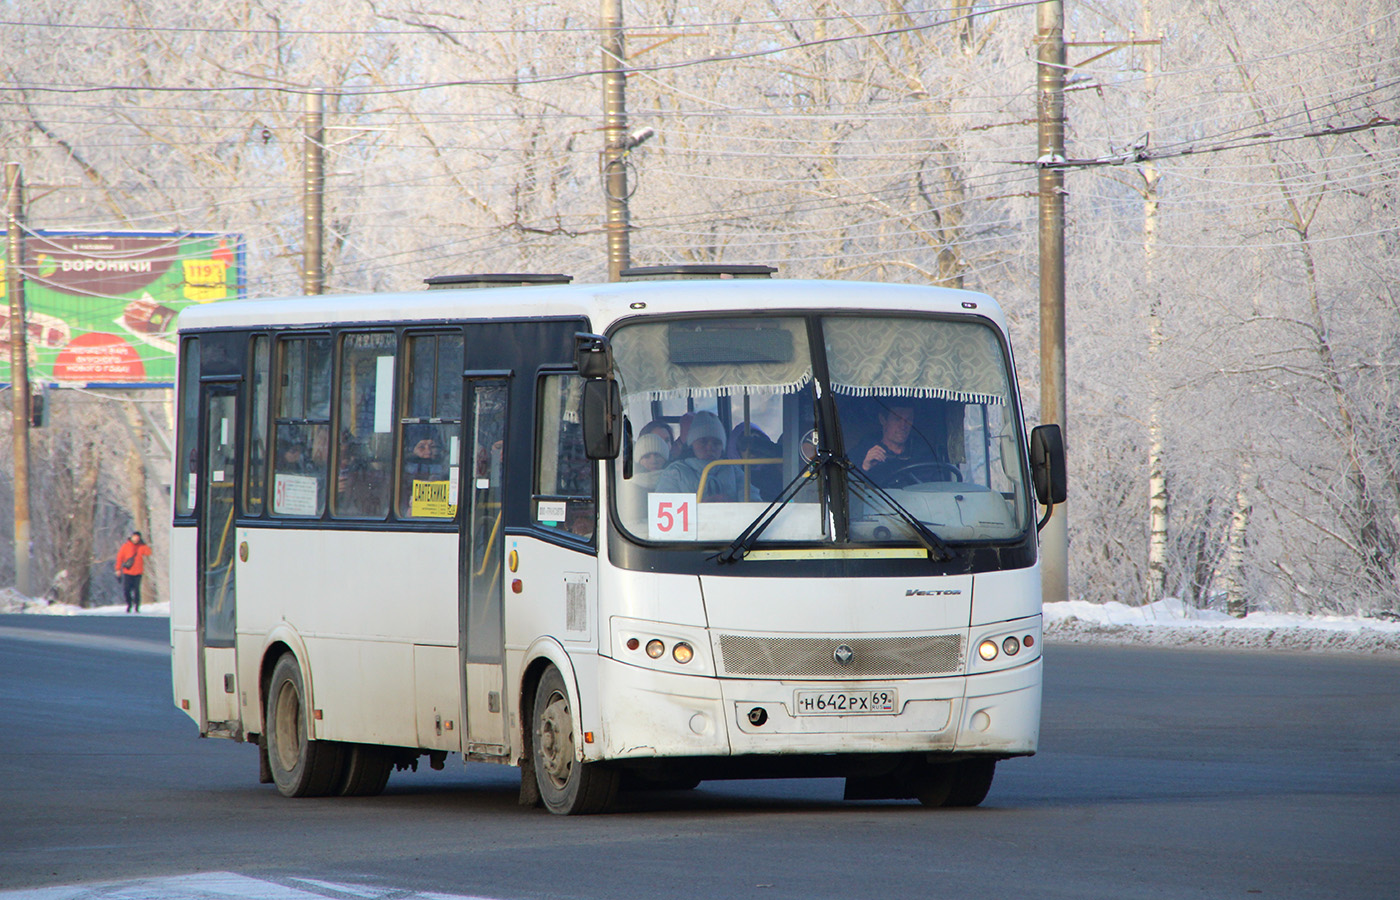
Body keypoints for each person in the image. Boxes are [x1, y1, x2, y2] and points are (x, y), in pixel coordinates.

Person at [656, 410, 756, 501]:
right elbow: (664, 507)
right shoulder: (674, 472)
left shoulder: (734, 471)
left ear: (723, 447)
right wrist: (701, 507)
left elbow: (753, 502)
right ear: (692, 444)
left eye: (716, 443)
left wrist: (731, 504)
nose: (709, 447)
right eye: (703, 442)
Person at [849, 404, 940, 487]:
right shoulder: (863, 450)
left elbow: (936, 486)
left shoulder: (922, 452)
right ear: (883, 420)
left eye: (908, 419)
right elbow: (848, 488)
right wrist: (865, 467)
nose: (903, 425)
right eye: (897, 419)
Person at [114, 531, 152, 613]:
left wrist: (144, 544)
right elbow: (119, 558)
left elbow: (149, 552)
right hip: (128, 571)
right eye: (135, 537)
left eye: (138, 537)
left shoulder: (141, 546)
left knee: (136, 590)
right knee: (127, 589)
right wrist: (118, 569)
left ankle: (137, 606)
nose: (136, 539)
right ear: (131, 537)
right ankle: (129, 604)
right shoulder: (126, 546)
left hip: (138, 572)